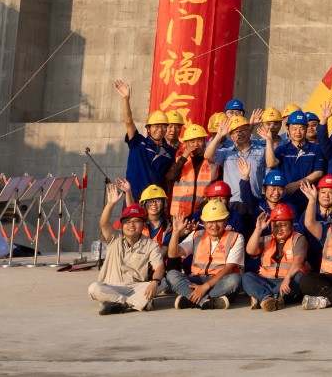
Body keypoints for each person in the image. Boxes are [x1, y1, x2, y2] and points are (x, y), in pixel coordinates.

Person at [89, 186, 164, 314]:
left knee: (162, 284)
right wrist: (110, 203)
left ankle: (115, 303)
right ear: (122, 225)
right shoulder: (115, 237)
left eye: (136, 221)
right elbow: (103, 223)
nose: (131, 225)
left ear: (144, 224)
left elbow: (159, 267)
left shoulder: (151, 245)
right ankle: (132, 303)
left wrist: (154, 282)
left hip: (135, 288)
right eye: (127, 222)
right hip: (111, 286)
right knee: (94, 288)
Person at [165, 199, 243, 309]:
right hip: (197, 279)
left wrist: (205, 287)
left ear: (226, 221)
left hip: (220, 281)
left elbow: (228, 269)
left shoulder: (236, 237)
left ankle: (190, 299)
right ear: (204, 223)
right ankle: (206, 301)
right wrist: (176, 232)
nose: (214, 226)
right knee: (171, 275)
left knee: (235, 279)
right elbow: (173, 254)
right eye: (210, 222)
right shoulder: (196, 235)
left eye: (219, 221)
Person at [113, 81, 172, 203]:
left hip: (155, 202)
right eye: (156, 126)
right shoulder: (138, 142)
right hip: (133, 198)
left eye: (163, 126)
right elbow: (128, 121)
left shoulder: (170, 152)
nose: (160, 129)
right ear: (148, 129)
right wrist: (126, 99)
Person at [240, 203, 306, 311]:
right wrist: (258, 230)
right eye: (275, 226)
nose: (279, 229)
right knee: (247, 277)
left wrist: (287, 278)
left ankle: (262, 297)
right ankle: (271, 298)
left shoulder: (298, 239)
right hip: (266, 280)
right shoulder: (266, 239)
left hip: (286, 280)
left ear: (291, 224)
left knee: (300, 276)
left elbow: (299, 260)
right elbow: (250, 251)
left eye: (283, 225)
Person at [165, 123, 218, 221]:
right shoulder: (178, 160)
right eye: (192, 141)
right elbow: (170, 177)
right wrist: (183, 157)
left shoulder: (211, 162)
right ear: (186, 143)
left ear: (205, 142)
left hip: (203, 212)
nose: (196, 144)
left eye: (199, 140)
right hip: (180, 214)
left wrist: (208, 197)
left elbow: (217, 184)